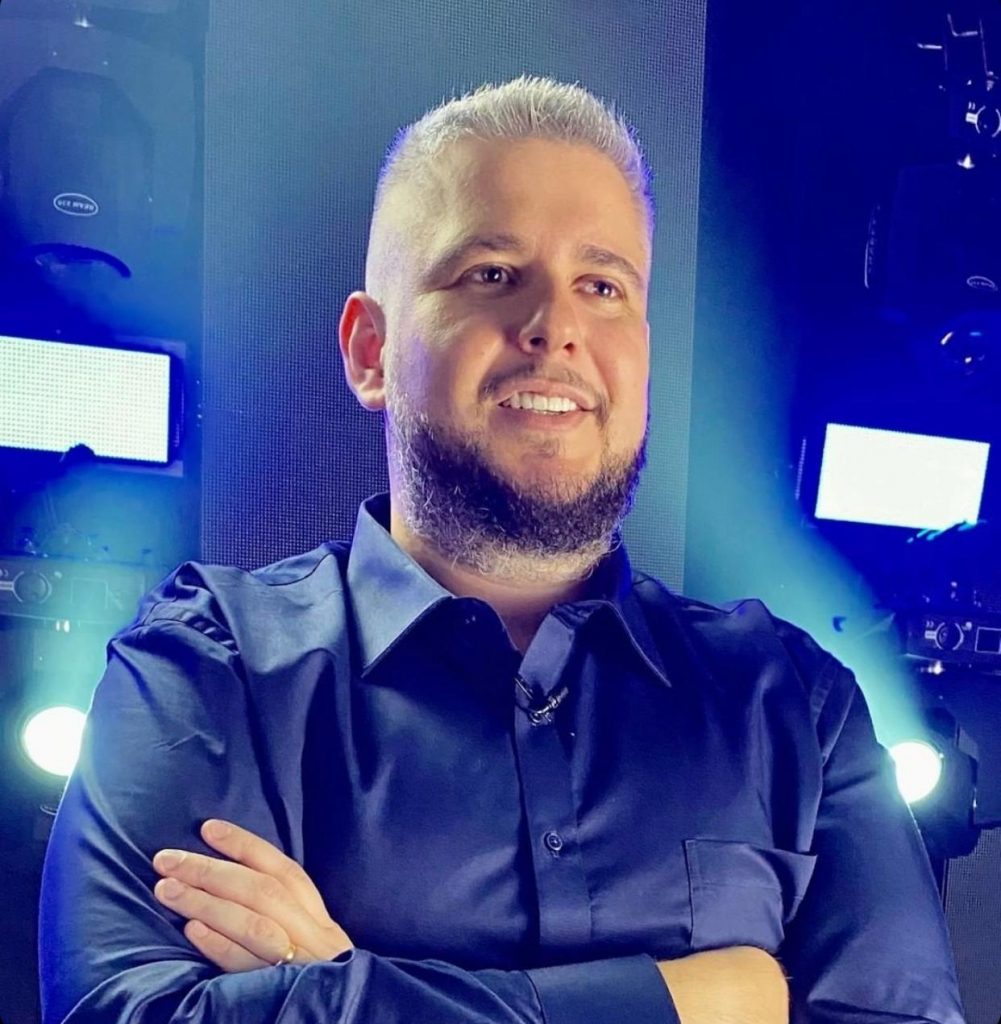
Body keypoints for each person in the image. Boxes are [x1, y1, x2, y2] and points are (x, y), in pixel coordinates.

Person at [38, 75, 966, 1024]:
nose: (555, 328)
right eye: (490, 274)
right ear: (369, 351)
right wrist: (691, 999)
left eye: (601, 286)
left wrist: (340, 983)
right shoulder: (208, 670)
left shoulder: (798, 706)